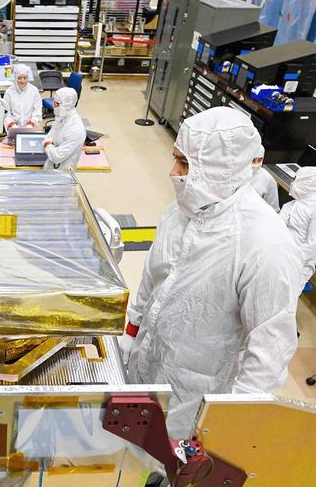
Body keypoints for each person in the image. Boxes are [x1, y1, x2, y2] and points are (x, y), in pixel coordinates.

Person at [121, 107, 301, 438]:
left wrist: (222, 430)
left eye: (185, 163)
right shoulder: (177, 214)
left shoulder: (265, 245)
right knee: (132, 455)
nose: (173, 173)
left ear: (222, 169)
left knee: (162, 472)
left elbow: (268, 354)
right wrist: (130, 336)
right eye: (175, 159)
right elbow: (150, 286)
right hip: (144, 365)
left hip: (194, 395)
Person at [280, 166, 316, 287]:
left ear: (308, 183)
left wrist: (284, 259)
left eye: (297, 180)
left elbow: (313, 247)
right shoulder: (295, 203)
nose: (293, 183)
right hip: (276, 255)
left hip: (294, 267)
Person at [43, 87, 86, 172]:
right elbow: (49, 136)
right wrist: (49, 145)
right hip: (50, 166)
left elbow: (57, 157)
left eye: (56, 104)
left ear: (64, 105)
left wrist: (46, 144)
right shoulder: (61, 117)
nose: (52, 106)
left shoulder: (75, 129)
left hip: (62, 174)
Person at [3, 64, 42, 132]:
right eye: (19, 78)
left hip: (31, 127)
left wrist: (31, 123)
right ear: (15, 77)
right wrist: (12, 125)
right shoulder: (9, 92)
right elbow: (5, 113)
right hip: (12, 128)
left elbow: (37, 111)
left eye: (25, 78)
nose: (22, 81)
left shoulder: (34, 91)